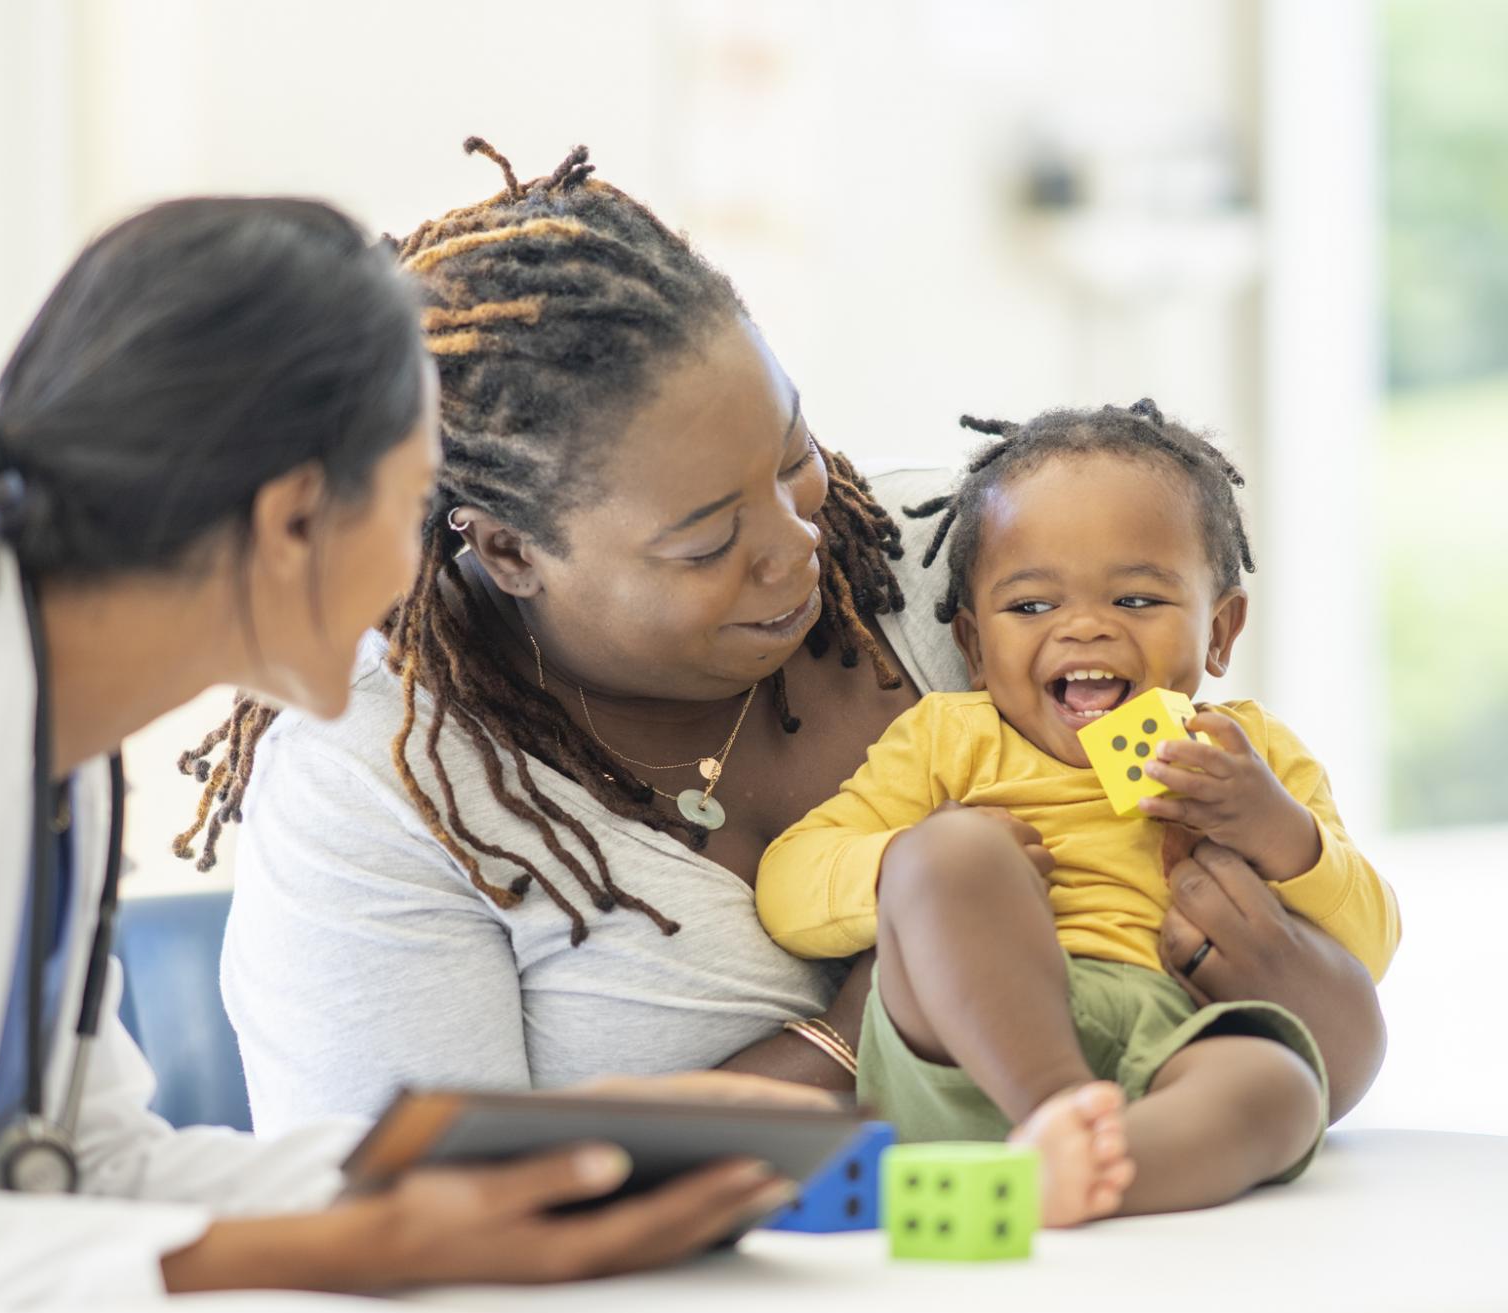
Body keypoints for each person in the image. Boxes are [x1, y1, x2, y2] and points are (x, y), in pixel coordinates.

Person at [0, 197, 811, 1311]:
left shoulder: (44, 746)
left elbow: (86, 1171)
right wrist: (363, 1243)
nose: (431, 568)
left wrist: (571, 1155)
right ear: (295, 518)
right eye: (417, 506)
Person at [196, 141, 1390, 1138]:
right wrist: (847, 1036)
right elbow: (416, 1216)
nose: (794, 551)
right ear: (507, 551)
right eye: (707, 540)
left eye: (793, 459)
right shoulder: (381, 781)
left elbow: (1307, 1021)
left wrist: (1291, 975)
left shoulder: (978, 576)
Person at [755, 400, 1400, 1225]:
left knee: (1278, 1084)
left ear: (1219, 632)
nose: (1084, 628)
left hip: (1166, 1043)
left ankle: (1095, 1176)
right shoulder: (950, 738)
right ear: (975, 648)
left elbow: (1370, 944)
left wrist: (1276, 829)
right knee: (952, 854)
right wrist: (907, 863)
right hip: (964, 1044)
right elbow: (788, 887)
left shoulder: (1248, 754)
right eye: (1031, 608)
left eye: (1136, 601)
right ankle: (1058, 1111)